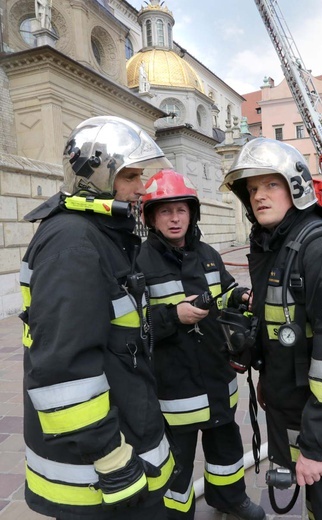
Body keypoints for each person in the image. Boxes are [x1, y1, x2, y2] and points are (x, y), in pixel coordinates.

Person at [19, 116, 177, 520]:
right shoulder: (75, 243)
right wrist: (111, 459)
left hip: (122, 441)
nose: (143, 188)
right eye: (130, 176)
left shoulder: (100, 235)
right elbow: (63, 371)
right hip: (95, 480)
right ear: (97, 176)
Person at [220, 138, 322, 520]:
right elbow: (282, 328)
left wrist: (316, 447)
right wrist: (268, 379)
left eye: (270, 184)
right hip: (303, 414)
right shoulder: (278, 245)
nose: (259, 195)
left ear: (296, 186)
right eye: (253, 188)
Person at [137, 169, 266, 520]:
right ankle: (177, 514)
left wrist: (240, 295)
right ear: (150, 216)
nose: (175, 218)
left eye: (181, 210)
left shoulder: (208, 253)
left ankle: (229, 498)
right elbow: (132, 322)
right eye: (165, 211)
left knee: (226, 446)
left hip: (216, 373)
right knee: (175, 462)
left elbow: (222, 293)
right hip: (174, 383)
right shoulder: (139, 261)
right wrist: (172, 316)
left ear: (192, 213)